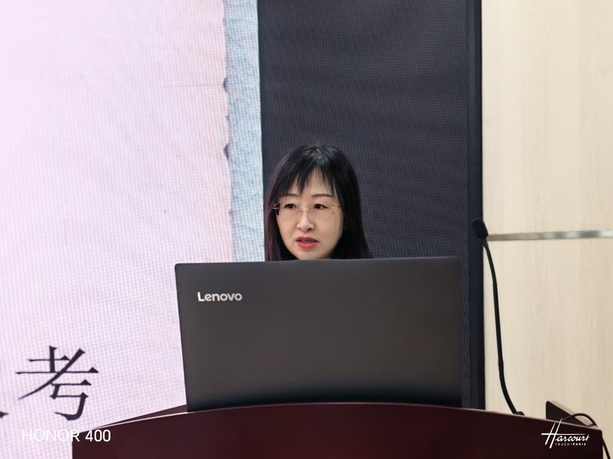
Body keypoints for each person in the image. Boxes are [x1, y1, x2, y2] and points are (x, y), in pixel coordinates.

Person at [265, 144, 372, 260]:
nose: (304, 225)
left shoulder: (381, 273)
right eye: (290, 206)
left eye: (319, 206)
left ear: (347, 214)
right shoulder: (257, 272)